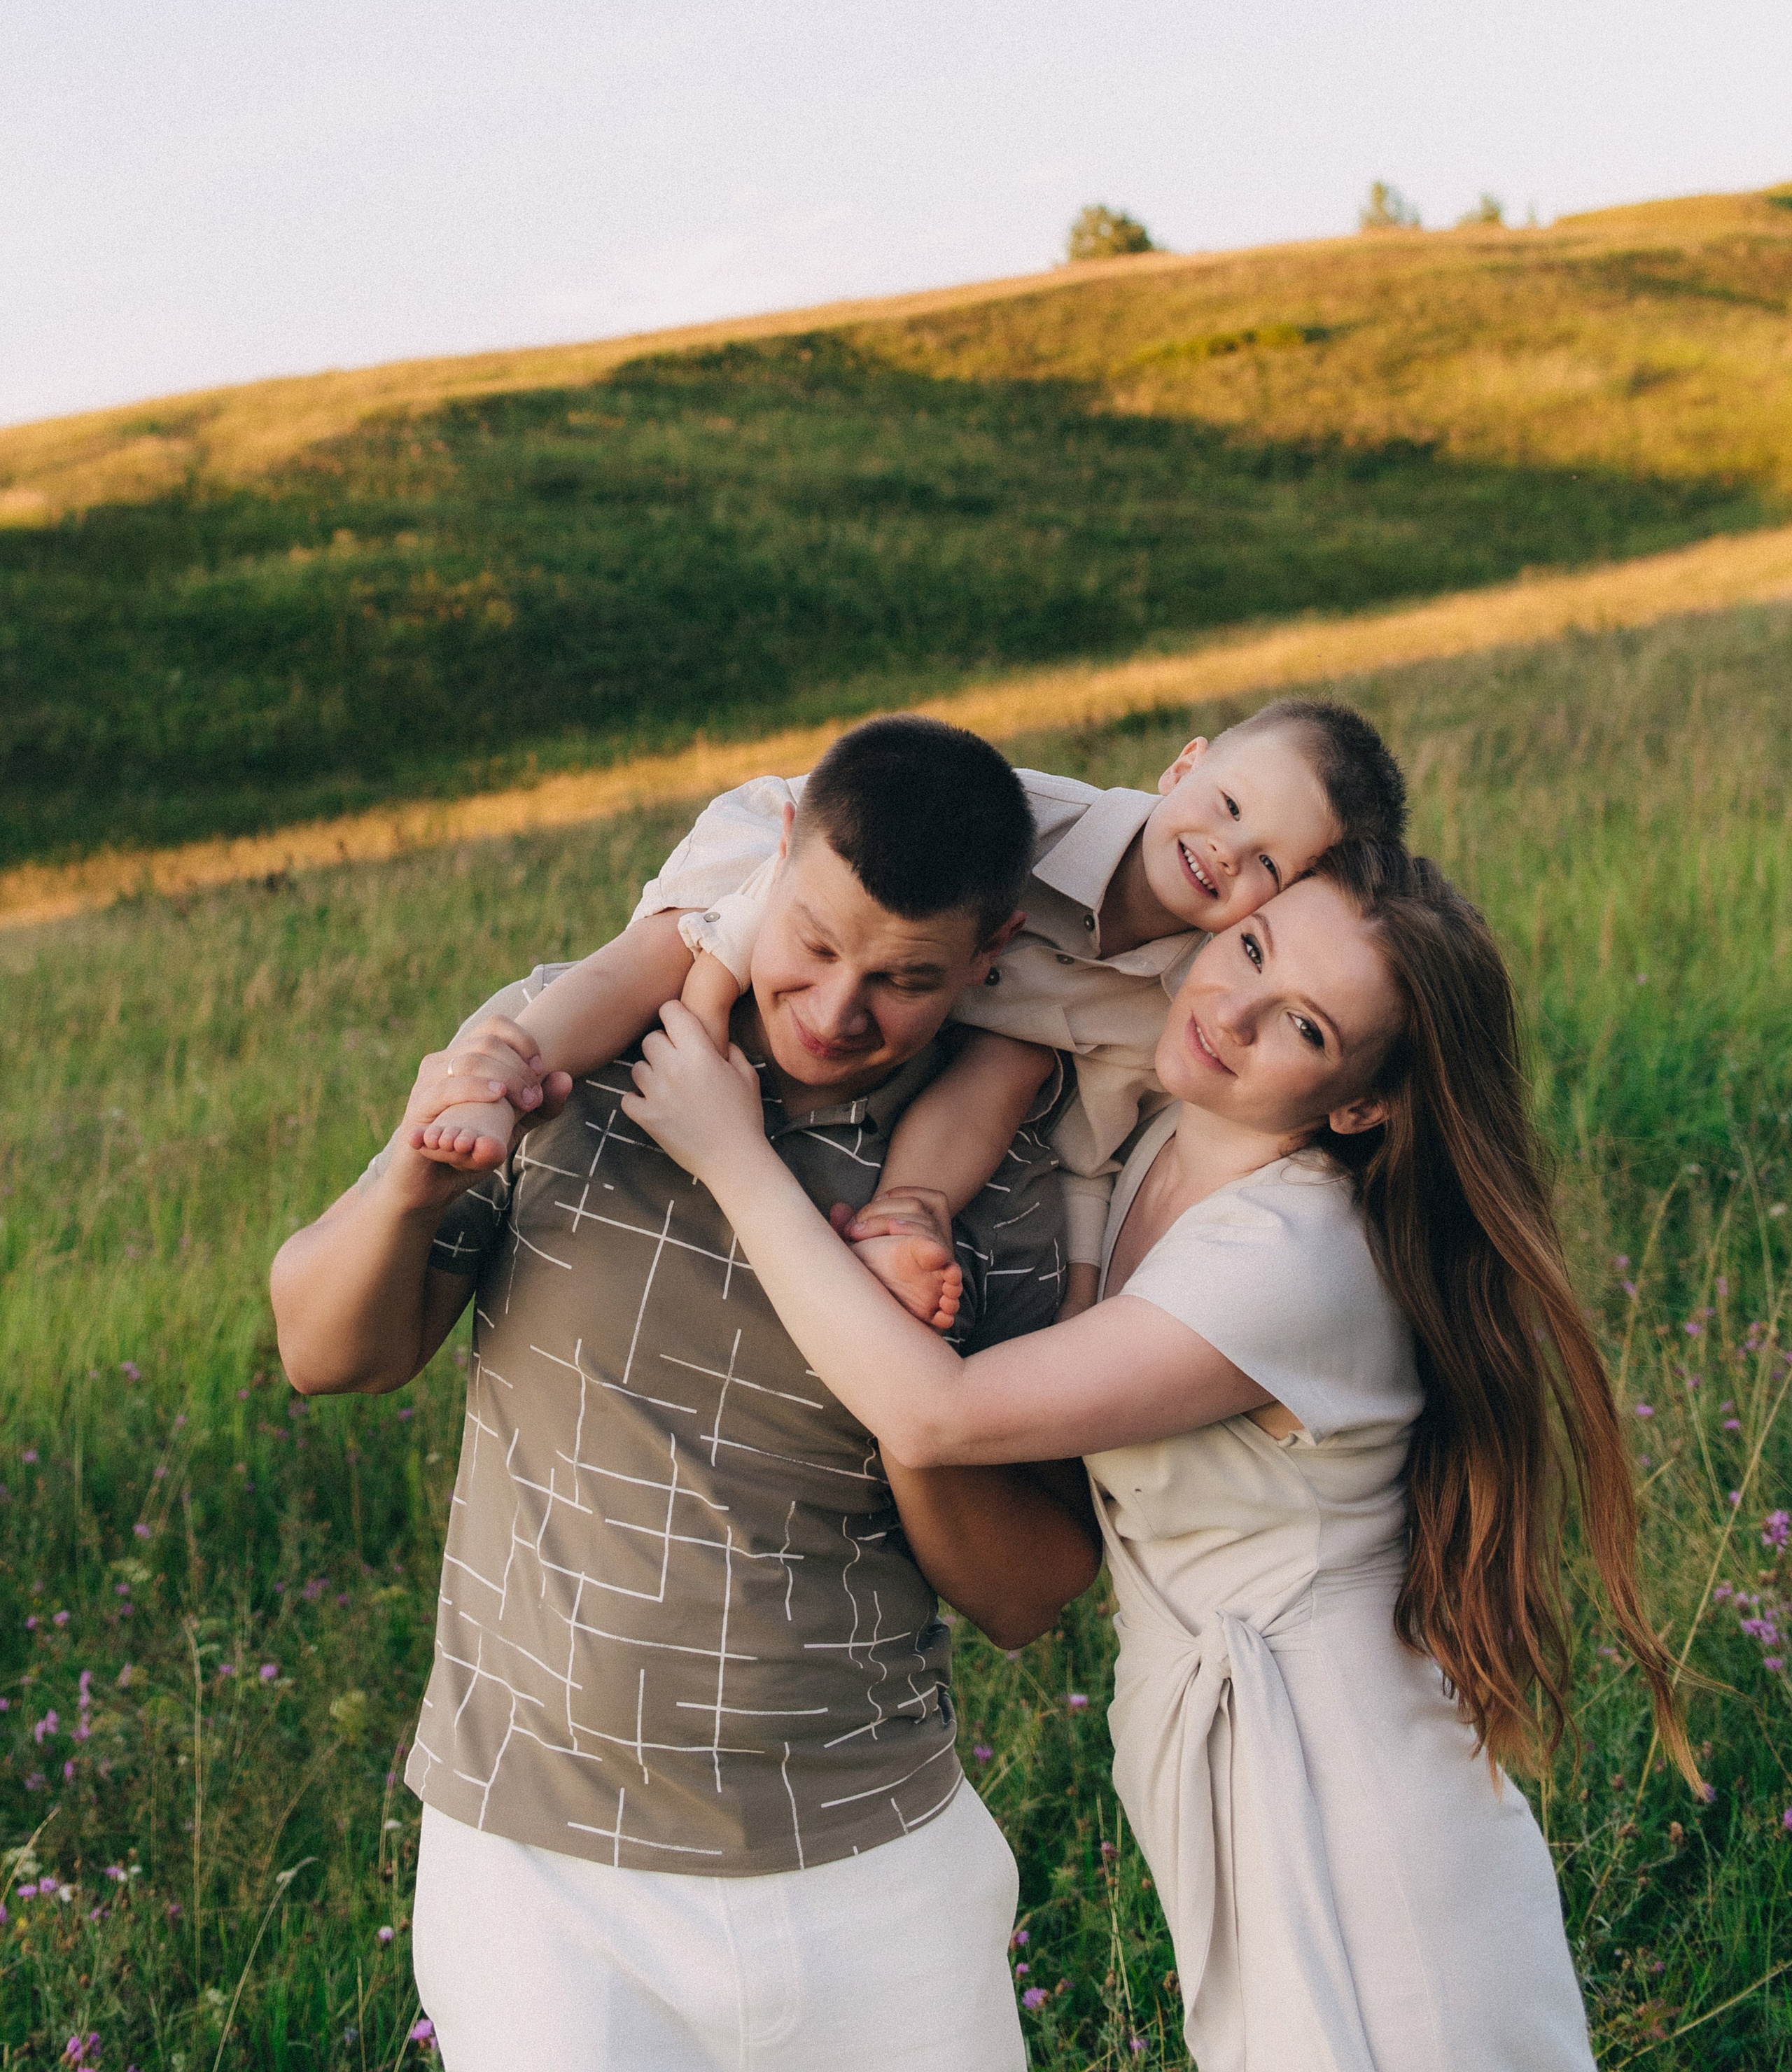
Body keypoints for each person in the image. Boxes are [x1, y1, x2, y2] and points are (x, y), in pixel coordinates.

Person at [623, 846, 1695, 2071]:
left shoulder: (1298, 1254)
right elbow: (1008, 843)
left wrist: (732, 1157)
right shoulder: (1152, 1131)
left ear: (1360, 1103)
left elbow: (938, 1416)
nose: (1228, 1015)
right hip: (1216, 1745)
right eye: (1248, 950)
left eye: (1299, 1023)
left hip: (1350, 1780)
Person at [270, 715, 1101, 2072]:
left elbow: (1027, 1595)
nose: (837, 1011)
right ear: (770, 858)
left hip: (874, 1865)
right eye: (817, 943)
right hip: (543, 1879)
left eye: (904, 978)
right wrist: (412, 1182)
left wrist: (909, 1378)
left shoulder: (1000, 1170)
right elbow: (323, 1350)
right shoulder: (568, 1047)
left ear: (993, 953)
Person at [415, 696, 1406, 1326]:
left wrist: (1078, 1291)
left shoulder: (1171, 1002)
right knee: (662, 951)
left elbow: (1091, 1149)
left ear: (1284, 903)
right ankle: (503, 1074)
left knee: (1020, 1065)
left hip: (963, 1012)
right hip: (798, 869)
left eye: (1267, 863)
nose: (1228, 850)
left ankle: (905, 1210)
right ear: (1184, 768)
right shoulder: (1023, 817)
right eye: (1228, 805)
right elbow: (824, 865)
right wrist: (709, 1010)